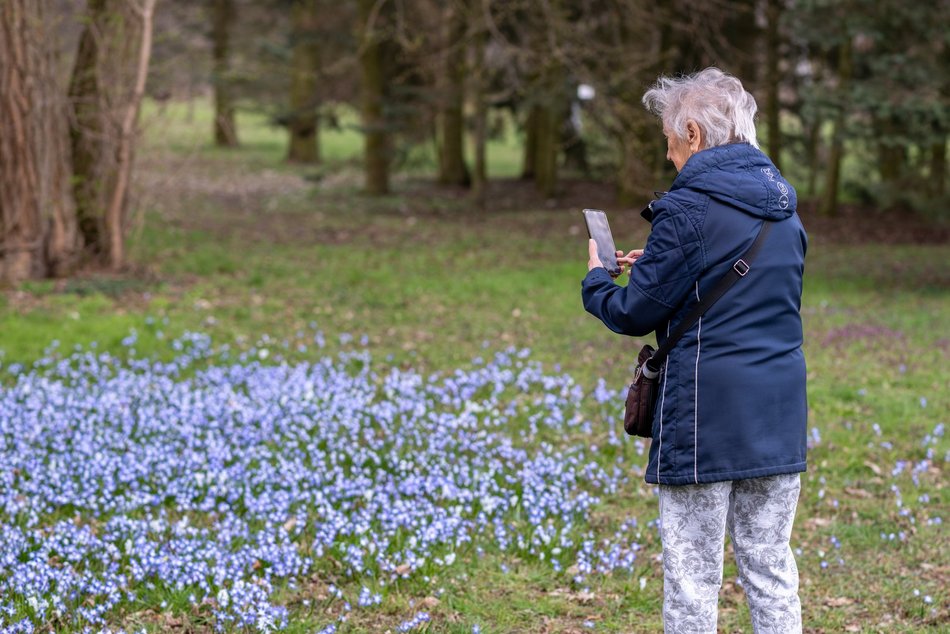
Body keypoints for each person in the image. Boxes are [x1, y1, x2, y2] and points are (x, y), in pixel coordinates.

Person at [581, 67, 807, 634]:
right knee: (771, 567)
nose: (669, 157)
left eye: (669, 143)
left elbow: (635, 314)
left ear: (693, 133)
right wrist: (660, 260)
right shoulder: (786, 210)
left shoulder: (687, 210)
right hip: (779, 413)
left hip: (706, 414)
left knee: (692, 576)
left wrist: (596, 281)